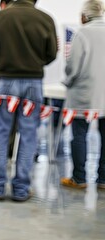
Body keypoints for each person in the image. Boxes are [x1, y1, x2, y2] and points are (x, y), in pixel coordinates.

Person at [0, 0, 58, 201]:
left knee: (0, 132)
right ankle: (21, 189)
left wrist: (0, 63)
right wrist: (36, 63)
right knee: (29, 134)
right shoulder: (46, 18)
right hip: (34, 82)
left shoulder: (0, 16)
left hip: (6, 81)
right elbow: (52, 52)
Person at [60, 0, 105, 189]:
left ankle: (79, 178)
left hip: (83, 93)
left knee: (79, 134)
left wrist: (67, 81)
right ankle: (103, 179)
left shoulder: (82, 33)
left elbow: (73, 66)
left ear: (84, 16)